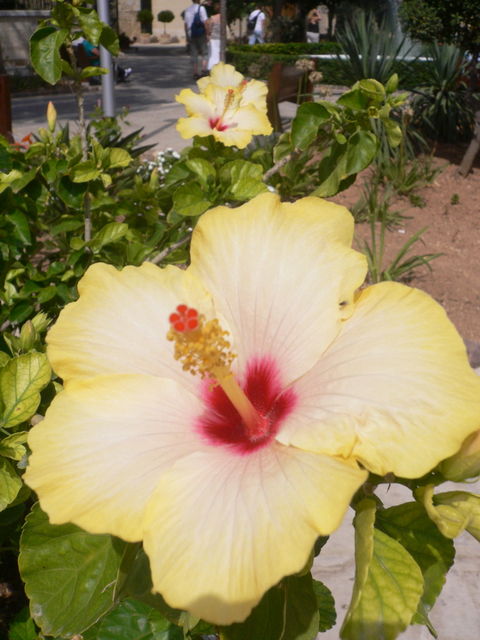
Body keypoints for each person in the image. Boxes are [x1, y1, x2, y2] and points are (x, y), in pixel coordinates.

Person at [183, 0, 208, 80]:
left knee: (194, 54)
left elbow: (186, 24)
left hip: (191, 34)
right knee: (204, 52)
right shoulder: (201, 8)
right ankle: (204, 70)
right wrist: (207, 34)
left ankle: (195, 72)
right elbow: (205, 22)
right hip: (201, 34)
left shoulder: (187, 9)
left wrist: (187, 36)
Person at [206, 1, 221, 70]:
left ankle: (212, 68)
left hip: (213, 39)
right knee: (219, 54)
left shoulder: (213, 18)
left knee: (212, 54)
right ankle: (219, 67)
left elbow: (209, 28)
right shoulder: (223, 18)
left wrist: (208, 35)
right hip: (221, 39)